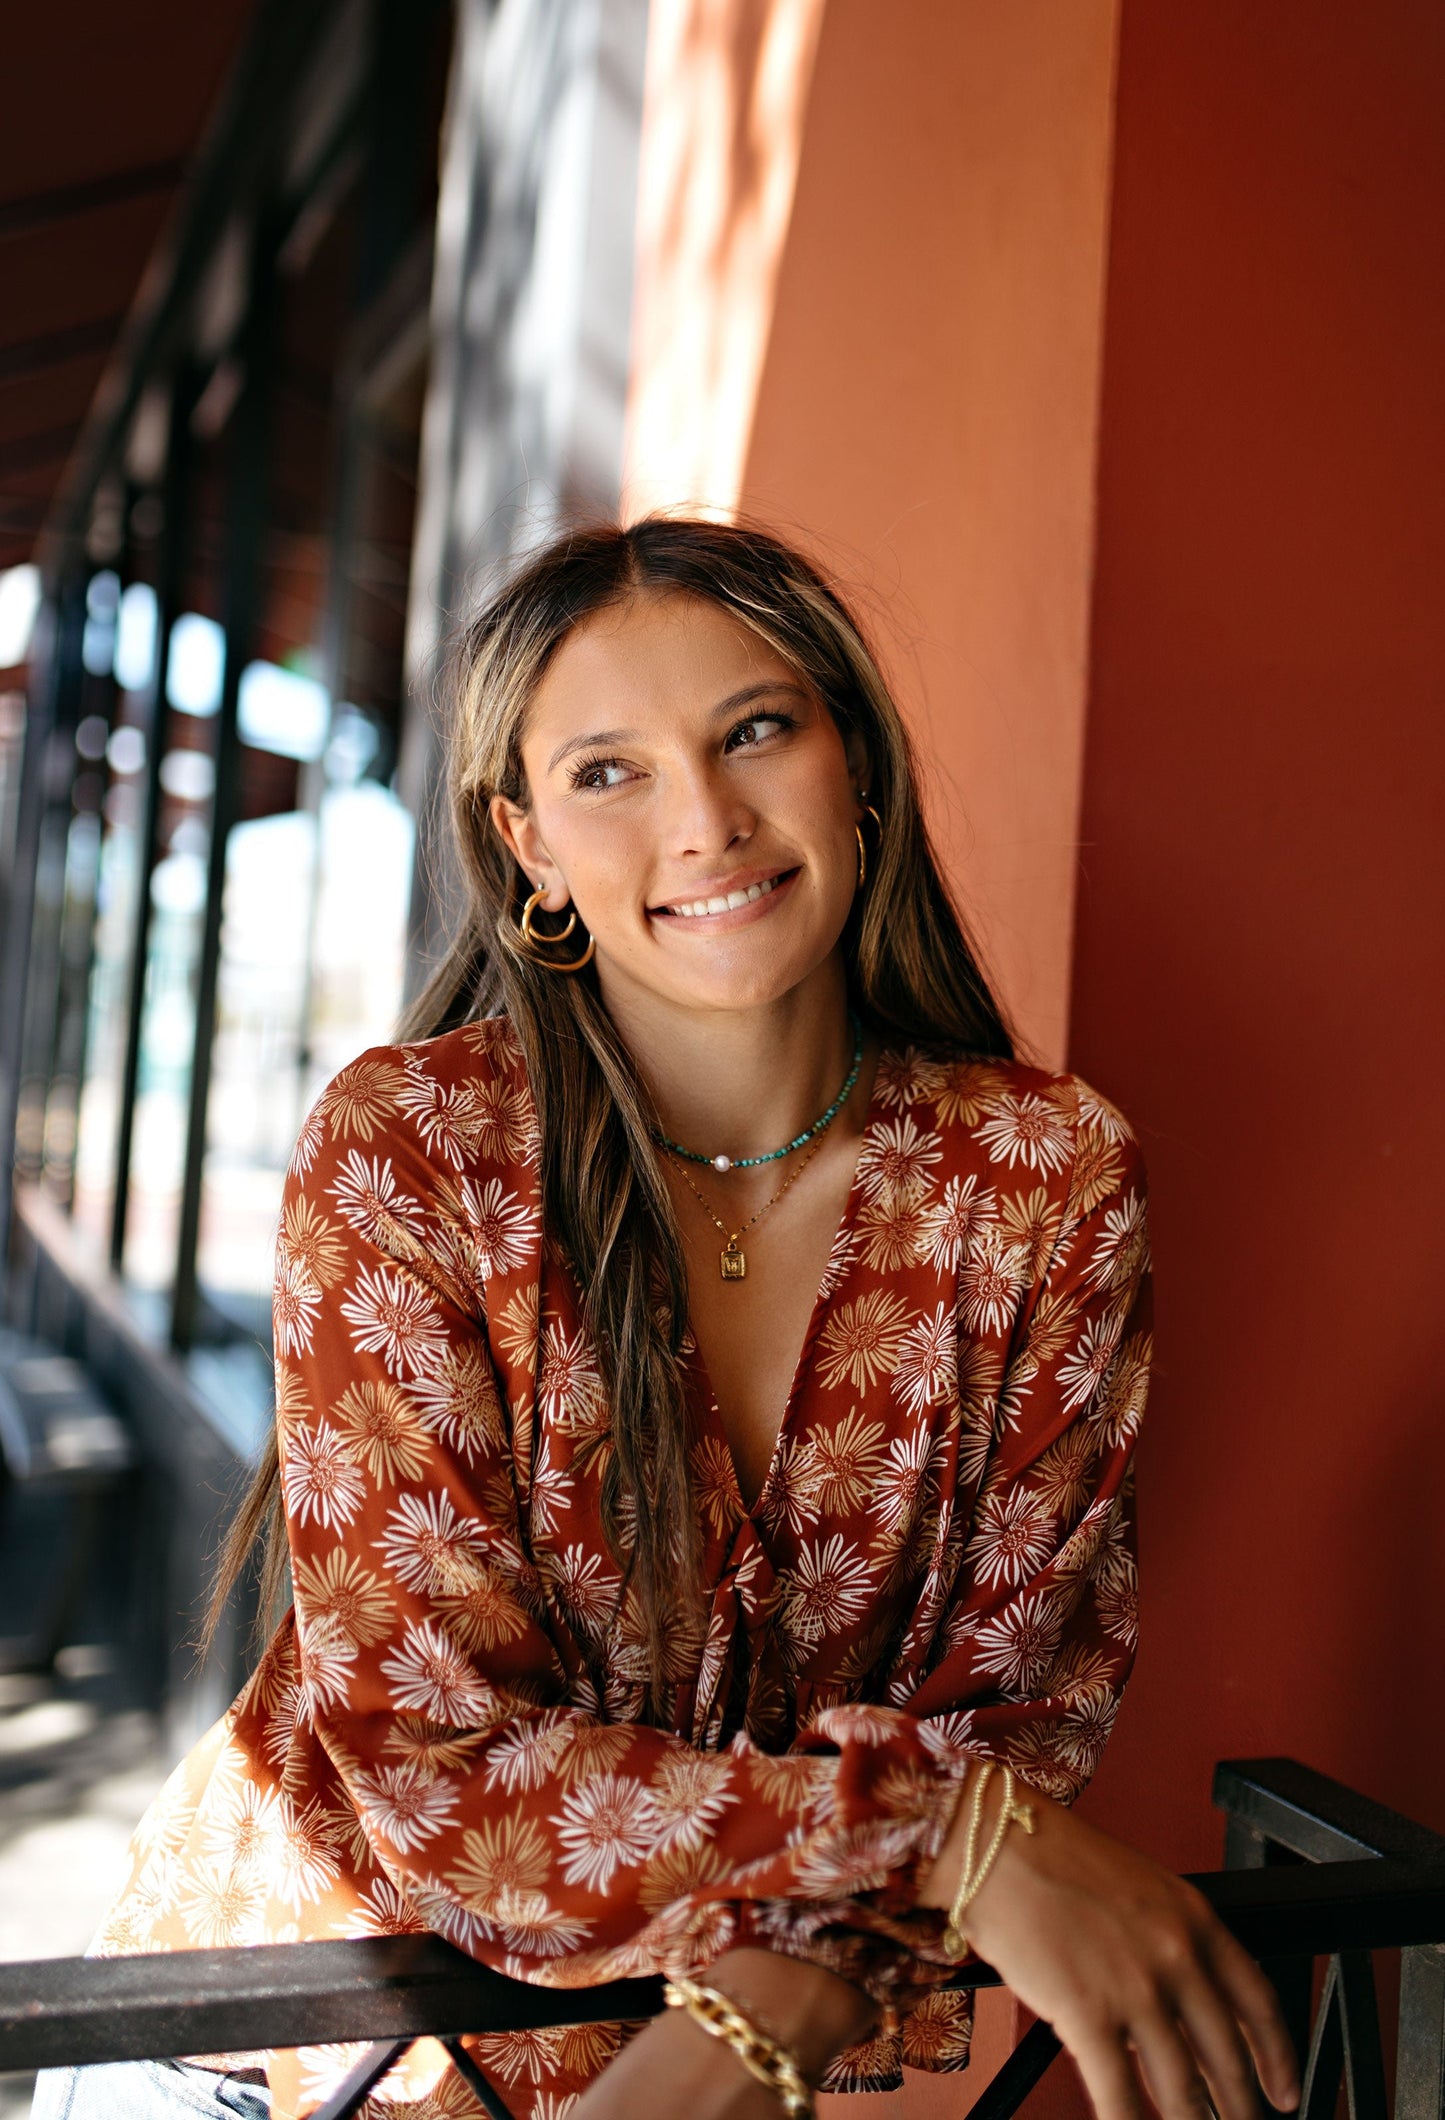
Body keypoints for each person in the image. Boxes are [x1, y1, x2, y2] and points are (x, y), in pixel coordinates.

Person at [36, 518, 1298, 2120]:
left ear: (856, 765)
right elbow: (436, 1762)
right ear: (528, 848)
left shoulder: (1040, 1180)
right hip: (292, 2047)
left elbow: (1015, 1724)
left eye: (754, 729)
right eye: (607, 773)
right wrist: (929, 1838)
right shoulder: (415, 1150)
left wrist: (773, 2001)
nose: (704, 822)